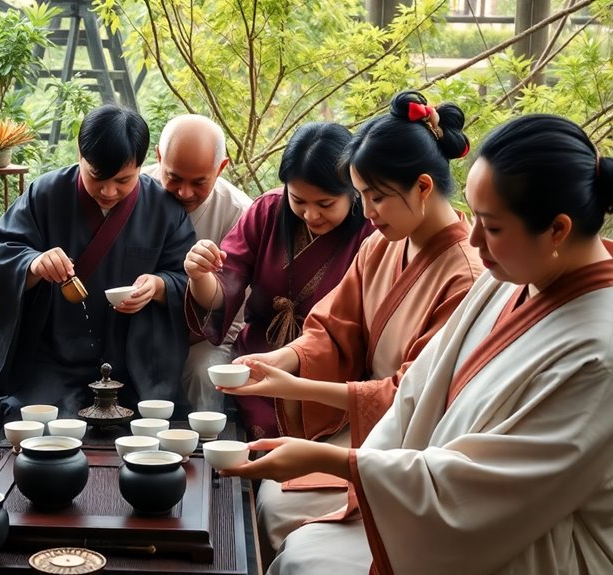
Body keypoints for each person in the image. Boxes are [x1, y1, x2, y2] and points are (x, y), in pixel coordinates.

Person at [225, 114, 613, 575]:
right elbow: (416, 396)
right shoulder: (506, 280)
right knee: (299, 547)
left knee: (306, 558)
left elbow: (485, 490)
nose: (471, 238)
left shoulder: (597, 354)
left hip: (526, 543)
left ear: (557, 230)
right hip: (416, 479)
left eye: (490, 226)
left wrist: (339, 461)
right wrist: (295, 379)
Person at [227, 91, 483, 554]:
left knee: (275, 506)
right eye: (362, 196)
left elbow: (413, 396)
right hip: (363, 420)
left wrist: (294, 386)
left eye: (376, 197)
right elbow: (332, 328)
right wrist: (280, 360)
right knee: (265, 500)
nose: (367, 213)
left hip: (404, 442)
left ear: (423, 187)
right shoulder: (382, 244)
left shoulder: (465, 276)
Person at [0, 104, 196, 419]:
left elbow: (186, 278)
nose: (109, 191)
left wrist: (159, 285)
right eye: (97, 176)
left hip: (134, 361)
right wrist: (34, 264)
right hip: (54, 359)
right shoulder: (46, 194)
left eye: (123, 180)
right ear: (81, 154)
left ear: (142, 164)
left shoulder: (164, 210)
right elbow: (1, 255)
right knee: (35, 420)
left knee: (154, 423)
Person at [184, 122, 373, 430]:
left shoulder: (371, 232)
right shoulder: (267, 211)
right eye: (298, 200)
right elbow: (224, 288)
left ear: (353, 190)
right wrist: (199, 275)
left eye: (325, 204)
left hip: (331, 370)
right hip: (258, 358)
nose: (311, 215)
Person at [143, 114, 253, 411]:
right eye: (174, 177)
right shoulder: (136, 191)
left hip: (205, 337)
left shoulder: (239, 214)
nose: (184, 192)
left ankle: (206, 451)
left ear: (221, 168)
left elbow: (238, 316)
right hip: (137, 326)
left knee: (204, 372)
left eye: (199, 182)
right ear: (159, 157)